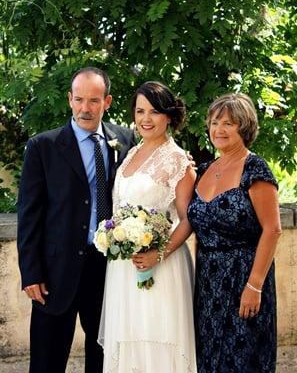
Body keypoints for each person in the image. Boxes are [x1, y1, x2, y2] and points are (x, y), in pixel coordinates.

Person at [17, 67, 135, 373]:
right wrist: (30, 273)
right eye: (79, 99)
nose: (86, 108)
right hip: (55, 273)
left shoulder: (126, 140)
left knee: (106, 360)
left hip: (109, 270)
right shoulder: (43, 146)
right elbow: (29, 214)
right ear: (70, 100)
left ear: (107, 101)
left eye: (94, 100)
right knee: (47, 361)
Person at [98, 81, 197, 372]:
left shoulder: (178, 160)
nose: (146, 119)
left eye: (154, 112)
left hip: (162, 265)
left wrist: (159, 253)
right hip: (124, 267)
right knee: (128, 336)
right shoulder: (130, 153)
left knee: (157, 334)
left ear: (168, 116)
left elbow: (187, 218)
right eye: (140, 111)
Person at [187, 93, 282, 372]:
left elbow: (273, 229)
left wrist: (254, 286)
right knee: (209, 359)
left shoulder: (255, 169)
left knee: (244, 359)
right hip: (208, 283)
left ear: (245, 126)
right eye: (215, 122)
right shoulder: (204, 170)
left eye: (228, 123)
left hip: (244, 278)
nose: (219, 129)